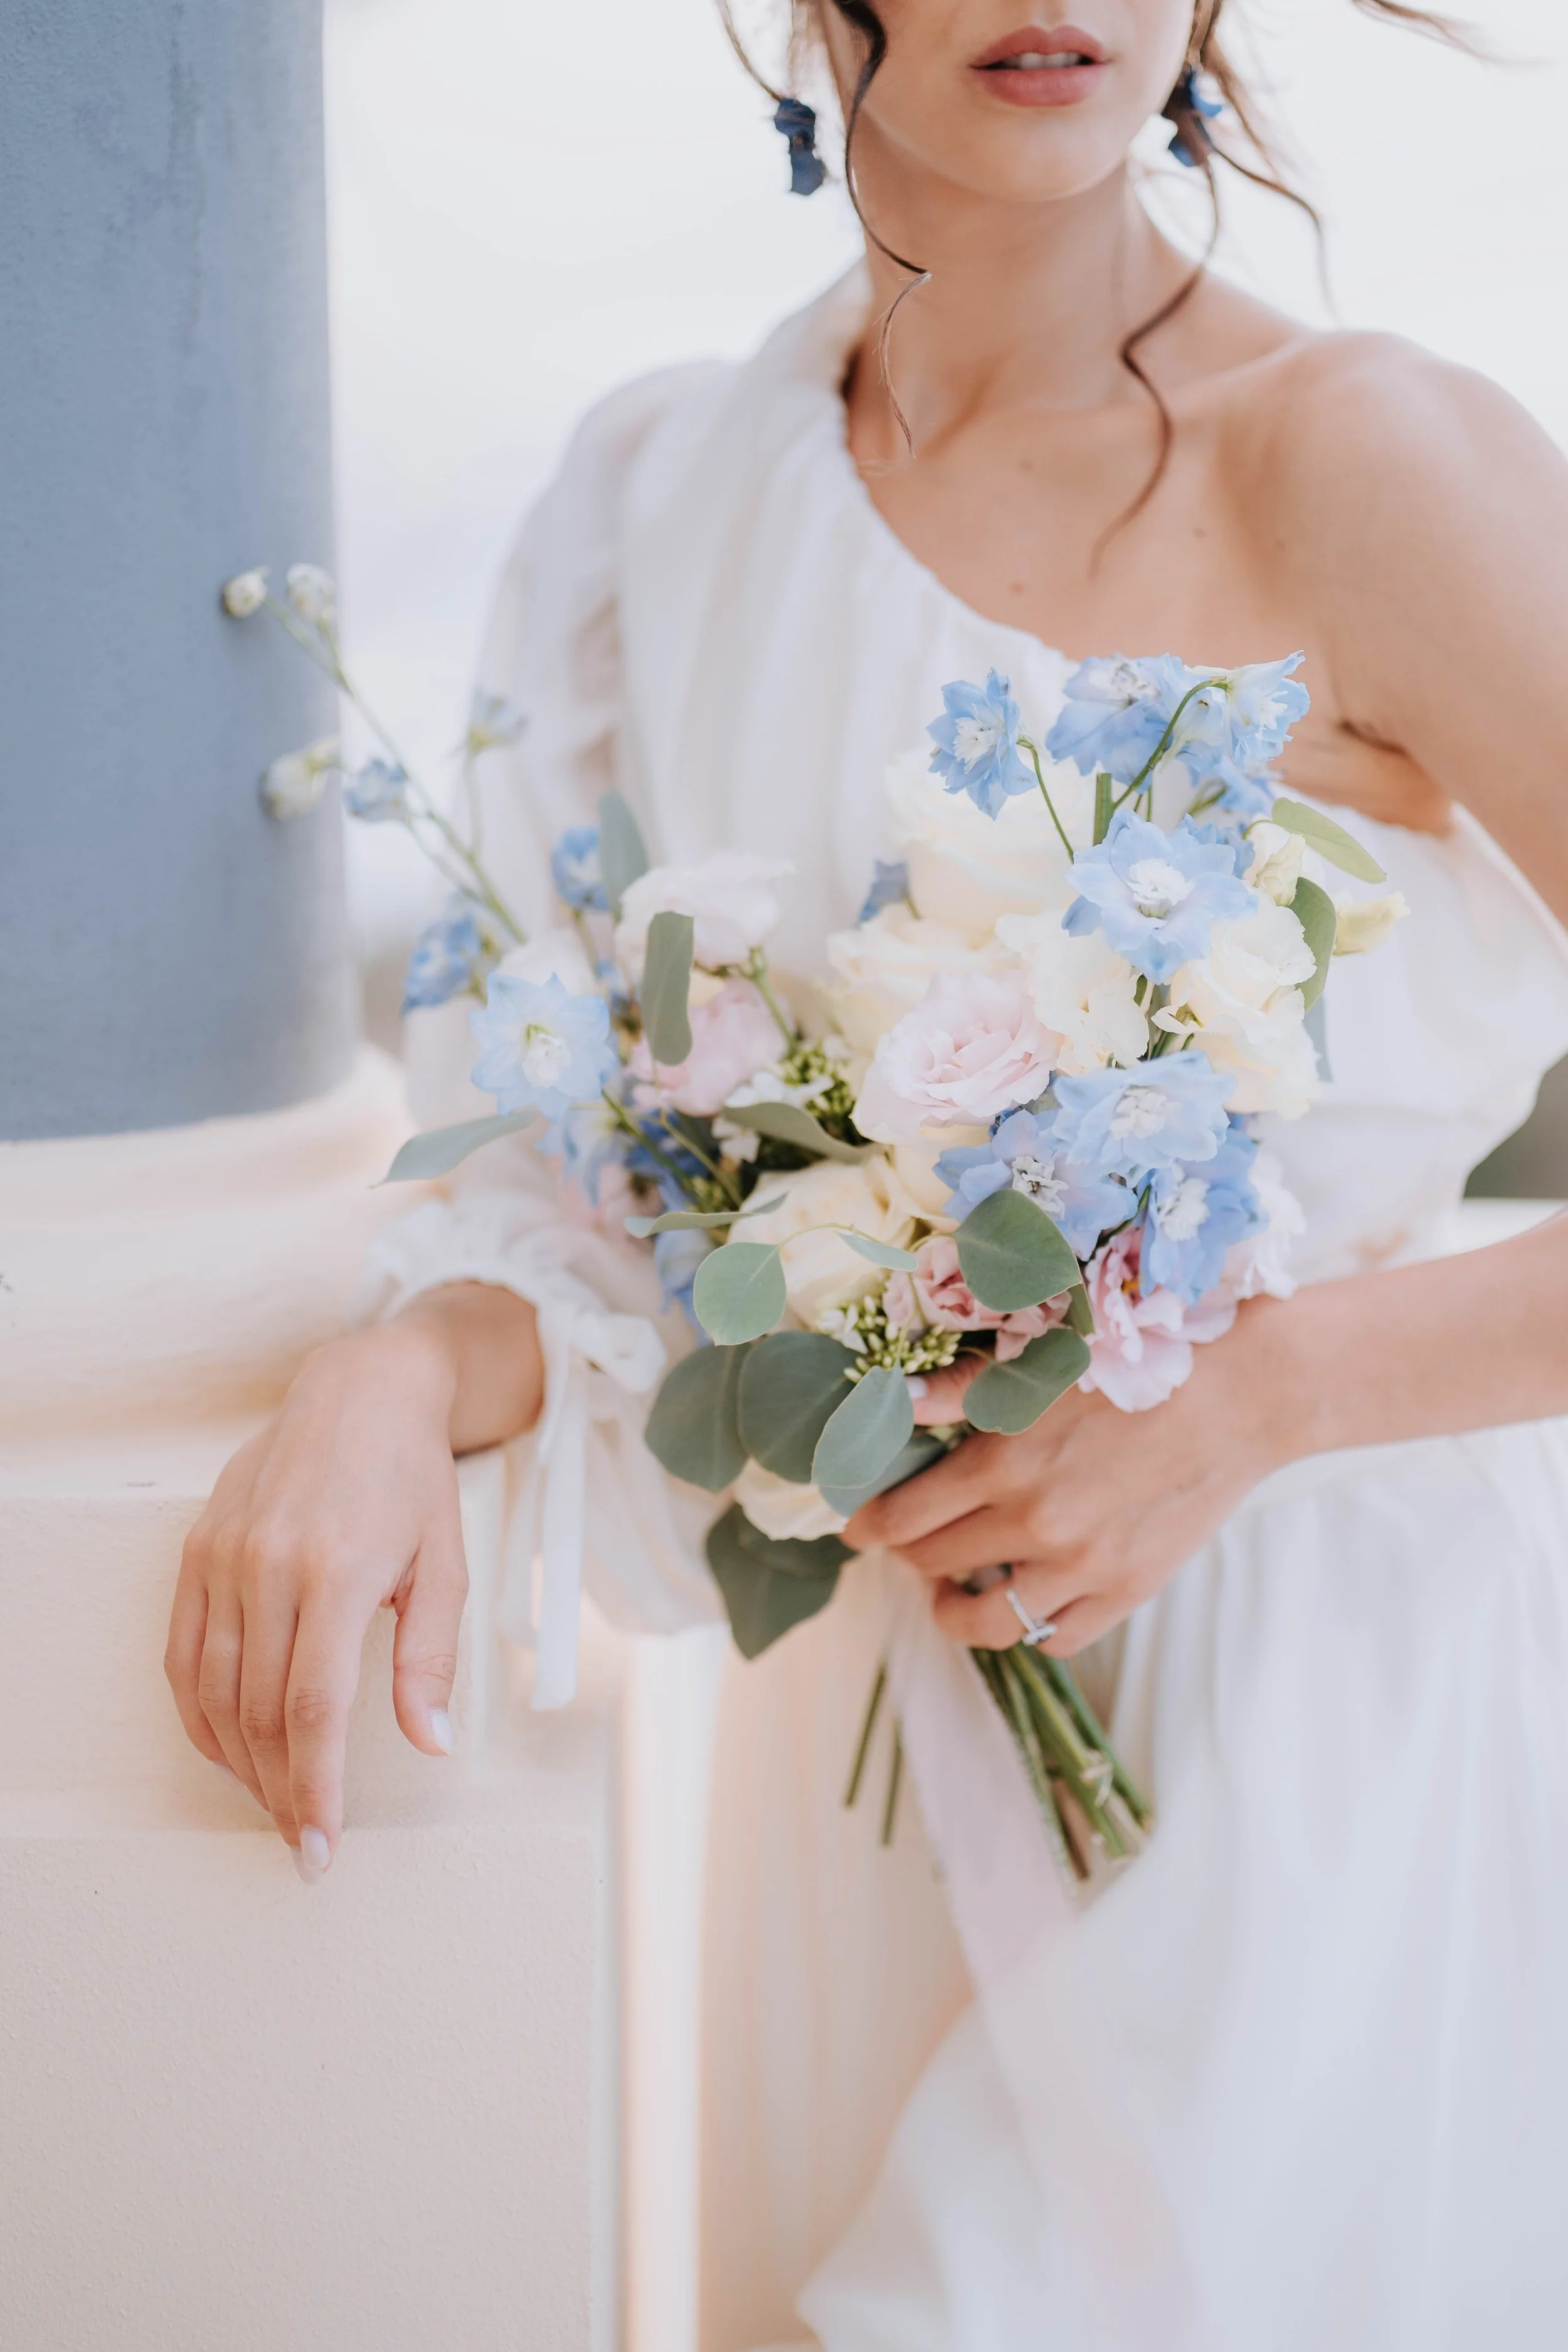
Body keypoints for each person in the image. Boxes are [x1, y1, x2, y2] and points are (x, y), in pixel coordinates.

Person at [167, 3, 1568, 2343]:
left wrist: (1256, 1394)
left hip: (1310, 1742)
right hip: (881, 1750)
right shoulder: (666, 504)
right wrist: (395, 1368)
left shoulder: (1360, 465)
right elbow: (616, 1202)